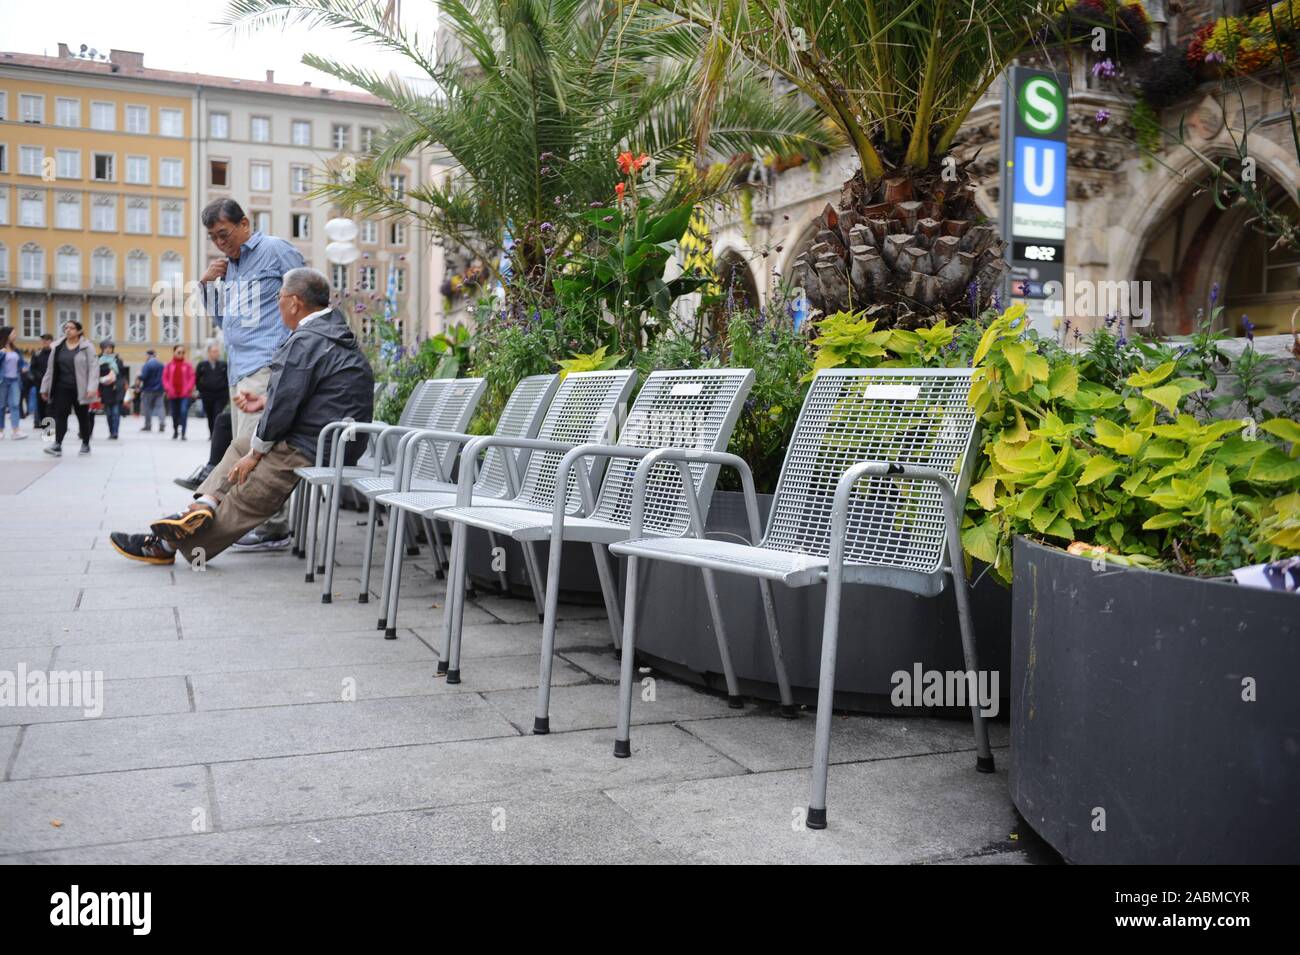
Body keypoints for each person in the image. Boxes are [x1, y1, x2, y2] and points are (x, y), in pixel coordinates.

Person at [110, 267, 374, 566]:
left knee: (250, 490)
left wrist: (257, 452)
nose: (278, 303)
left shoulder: (308, 339)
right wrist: (263, 401)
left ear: (295, 302)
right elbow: (317, 393)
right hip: (329, 436)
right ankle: (203, 505)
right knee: (239, 446)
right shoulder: (329, 331)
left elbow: (286, 404)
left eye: (279, 297)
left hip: (319, 444)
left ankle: (167, 545)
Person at [197, 197, 305, 548]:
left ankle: (273, 529)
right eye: (213, 237)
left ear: (245, 224)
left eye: (224, 233)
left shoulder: (274, 249)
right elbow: (223, 322)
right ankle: (266, 524)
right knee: (247, 443)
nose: (220, 241)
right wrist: (206, 287)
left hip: (266, 363)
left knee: (254, 447)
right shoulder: (231, 268)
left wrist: (295, 353)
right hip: (240, 368)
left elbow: (305, 293)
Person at [39, 319, 98, 457]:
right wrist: (44, 388)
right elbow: (50, 369)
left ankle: (85, 444)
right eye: (66, 328)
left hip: (80, 388)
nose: (68, 330)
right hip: (61, 387)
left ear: (78, 331)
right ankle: (57, 444)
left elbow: (94, 368)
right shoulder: (58, 347)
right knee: (61, 416)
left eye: (71, 328)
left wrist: (92, 387)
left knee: (82, 417)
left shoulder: (87, 347)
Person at [195, 342, 229, 438]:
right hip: (207, 395)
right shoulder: (202, 365)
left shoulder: (223, 365)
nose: (216, 353)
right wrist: (201, 390)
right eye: (214, 351)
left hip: (220, 396)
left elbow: (227, 379)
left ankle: (216, 435)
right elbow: (197, 379)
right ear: (209, 352)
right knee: (210, 415)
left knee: (217, 414)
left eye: (217, 351)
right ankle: (211, 434)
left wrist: (226, 393)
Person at [163, 345, 196, 441]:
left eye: (182, 352)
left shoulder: (187, 365)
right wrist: (168, 388)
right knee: (174, 413)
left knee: (183, 411)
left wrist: (189, 388)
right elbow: (165, 378)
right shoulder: (169, 365)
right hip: (173, 394)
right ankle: (175, 431)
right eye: (179, 352)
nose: (181, 354)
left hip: (184, 394)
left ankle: (183, 433)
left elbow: (192, 377)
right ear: (174, 352)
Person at [0, 327, 28, 440]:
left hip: (15, 380)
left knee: (15, 405)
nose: (16, 335)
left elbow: (22, 363)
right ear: (7, 334)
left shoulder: (15, 350)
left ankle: (16, 430)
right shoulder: (1, 349)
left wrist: (25, 367)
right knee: (1, 406)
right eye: (14, 333)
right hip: (2, 380)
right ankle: (0, 430)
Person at [97, 339, 128, 440]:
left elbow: (122, 374)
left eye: (110, 348)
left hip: (117, 389)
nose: (108, 350)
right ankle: (111, 431)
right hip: (105, 389)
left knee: (115, 412)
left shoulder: (118, 360)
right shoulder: (98, 360)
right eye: (106, 347)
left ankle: (115, 432)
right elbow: (97, 375)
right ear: (102, 349)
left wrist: (121, 384)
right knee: (109, 413)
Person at [26, 333, 53, 427]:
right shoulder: (37, 354)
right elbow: (32, 368)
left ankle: (49, 428)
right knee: (41, 405)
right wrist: (37, 376)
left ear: (51, 341)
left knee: (50, 406)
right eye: (43, 340)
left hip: (52, 383)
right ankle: (43, 424)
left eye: (46, 340)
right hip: (40, 383)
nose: (44, 342)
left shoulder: (54, 353)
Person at [137, 349, 166, 432]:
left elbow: (144, 377)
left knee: (147, 408)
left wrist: (139, 375)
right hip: (160, 389)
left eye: (146, 355)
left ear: (149, 355)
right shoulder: (161, 365)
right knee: (160, 407)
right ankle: (162, 423)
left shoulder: (147, 365)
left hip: (148, 389)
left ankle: (148, 425)